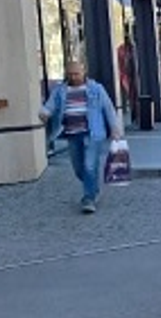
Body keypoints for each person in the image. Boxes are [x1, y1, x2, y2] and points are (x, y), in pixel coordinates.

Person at [38, 59, 123, 213]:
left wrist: (115, 129)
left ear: (84, 72)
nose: (73, 77)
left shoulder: (96, 89)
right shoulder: (60, 91)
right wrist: (44, 113)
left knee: (89, 166)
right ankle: (93, 187)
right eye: (70, 74)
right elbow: (50, 106)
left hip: (93, 133)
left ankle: (88, 199)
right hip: (72, 133)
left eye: (76, 73)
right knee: (78, 169)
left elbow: (108, 109)